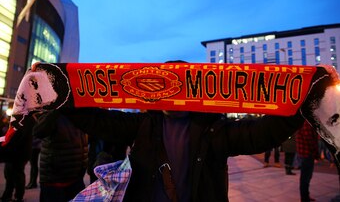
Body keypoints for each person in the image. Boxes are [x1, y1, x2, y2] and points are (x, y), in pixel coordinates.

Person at [30, 61, 339, 201]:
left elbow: (260, 134)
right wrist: (57, 91)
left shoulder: (213, 130)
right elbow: (97, 120)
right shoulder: (142, 125)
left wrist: (302, 103)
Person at [33, 109, 89, 202]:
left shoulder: (82, 115)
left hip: (76, 179)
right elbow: (38, 132)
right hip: (55, 181)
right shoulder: (53, 115)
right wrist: (55, 111)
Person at [0, 115, 33, 202]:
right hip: (17, 152)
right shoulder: (22, 118)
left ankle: (17, 196)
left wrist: (3, 139)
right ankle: (9, 195)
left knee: (16, 175)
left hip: (18, 153)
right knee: (10, 174)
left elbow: (15, 137)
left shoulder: (24, 120)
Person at [296, 121, 319, 202]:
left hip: (304, 153)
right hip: (307, 154)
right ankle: (305, 198)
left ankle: (305, 197)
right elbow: (310, 140)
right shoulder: (306, 123)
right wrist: (316, 153)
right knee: (305, 178)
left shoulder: (303, 122)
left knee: (305, 178)